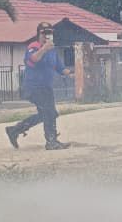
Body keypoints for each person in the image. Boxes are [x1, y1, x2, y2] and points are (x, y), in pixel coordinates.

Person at [6, 22, 72, 151]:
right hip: (34, 87)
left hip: (46, 87)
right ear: (39, 34)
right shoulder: (34, 47)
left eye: (50, 32)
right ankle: (51, 142)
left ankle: (14, 130)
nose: (47, 35)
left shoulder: (52, 50)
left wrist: (72, 74)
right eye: (44, 33)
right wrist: (44, 48)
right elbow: (33, 59)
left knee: (46, 114)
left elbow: (60, 67)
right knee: (49, 113)